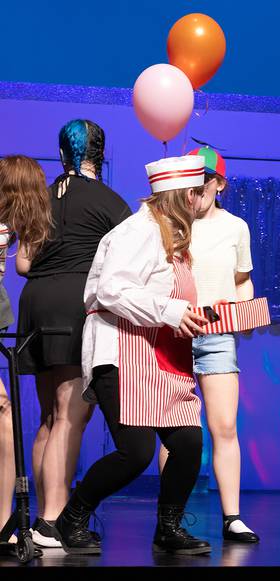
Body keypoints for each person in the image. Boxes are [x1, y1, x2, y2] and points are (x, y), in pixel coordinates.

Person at [53, 155, 210, 555]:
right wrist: (173, 311)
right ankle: (71, 519)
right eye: (195, 194)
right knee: (136, 451)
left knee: (189, 441)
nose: (198, 202)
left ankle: (168, 528)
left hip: (160, 355)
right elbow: (111, 290)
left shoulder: (172, 235)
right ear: (184, 195)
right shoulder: (138, 231)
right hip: (122, 352)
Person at [15, 120, 131, 548]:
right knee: (71, 415)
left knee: (49, 417)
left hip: (36, 303)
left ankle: (44, 518)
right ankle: (53, 522)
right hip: (76, 304)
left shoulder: (41, 200)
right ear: (100, 154)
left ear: (61, 153)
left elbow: (24, 265)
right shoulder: (110, 203)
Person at [158, 146, 258, 542]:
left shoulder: (236, 227)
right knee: (174, 431)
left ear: (220, 185)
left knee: (225, 426)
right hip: (174, 334)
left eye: (204, 184)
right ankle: (169, 518)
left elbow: (242, 279)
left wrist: (243, 305)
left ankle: (232, 517)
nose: (195, 193)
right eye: (189, 184)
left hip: (216, 334)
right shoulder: (167, 222)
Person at [0, 155, 53, 544]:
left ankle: (5, 523)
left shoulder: (6, 230)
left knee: (4, 415)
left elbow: (21, 264)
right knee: (3, 414)